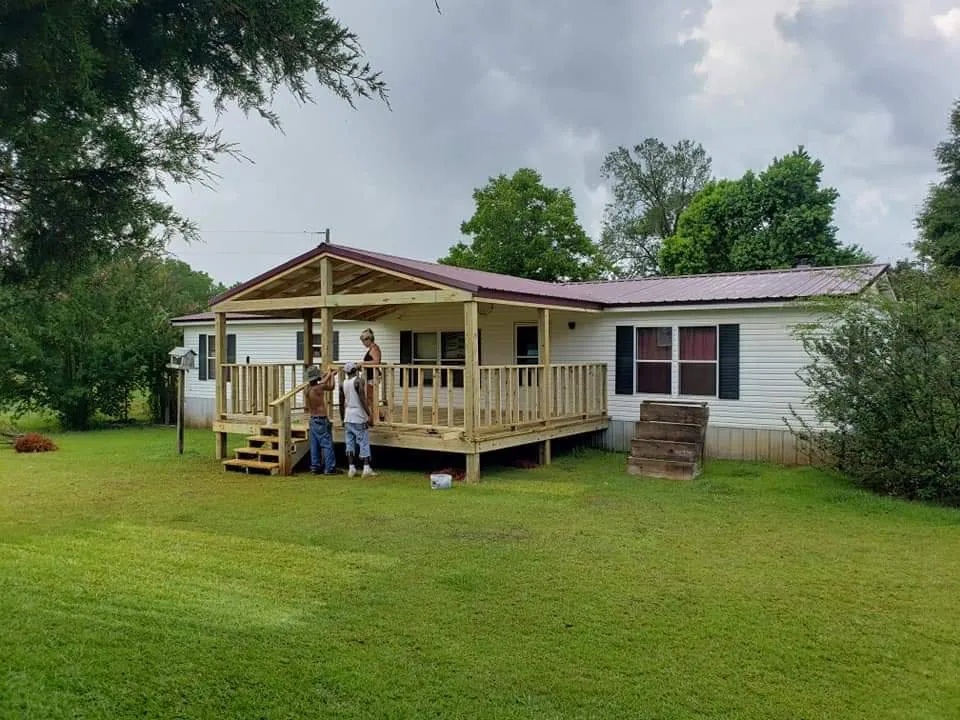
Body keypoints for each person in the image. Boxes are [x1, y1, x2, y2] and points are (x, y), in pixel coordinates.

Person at [338, 361, 377, 477]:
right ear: (355, 371)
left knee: (349, 442)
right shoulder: (358, 381)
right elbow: (363, 399)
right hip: (358, 415)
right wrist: (369, 414)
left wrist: (342, 418)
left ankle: (351, 468)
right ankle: (366, 468)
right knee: (363, 441)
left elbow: (341, 403)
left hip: (348, 416)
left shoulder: (343, 384)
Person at [304, 365, 340, 475]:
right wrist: (331, 375)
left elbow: (322, 381)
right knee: (327, 444)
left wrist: (327, 374)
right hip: (321, 419)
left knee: (314, 444)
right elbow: (331, 386)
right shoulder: (318, 388)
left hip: (313, 419)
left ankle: (315, 466)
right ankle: (330, 468)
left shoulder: (307, 389)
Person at [359, 328, 383, 424]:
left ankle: (373, 418)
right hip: (369, 376)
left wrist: (363, 363)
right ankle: (379, 416)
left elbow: (376, 362)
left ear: (369, 339)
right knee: (370, 398)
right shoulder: (372, 348)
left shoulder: (374, 348)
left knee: (370, 398)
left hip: (372, 377)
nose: (363, 343)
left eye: (363, 341)